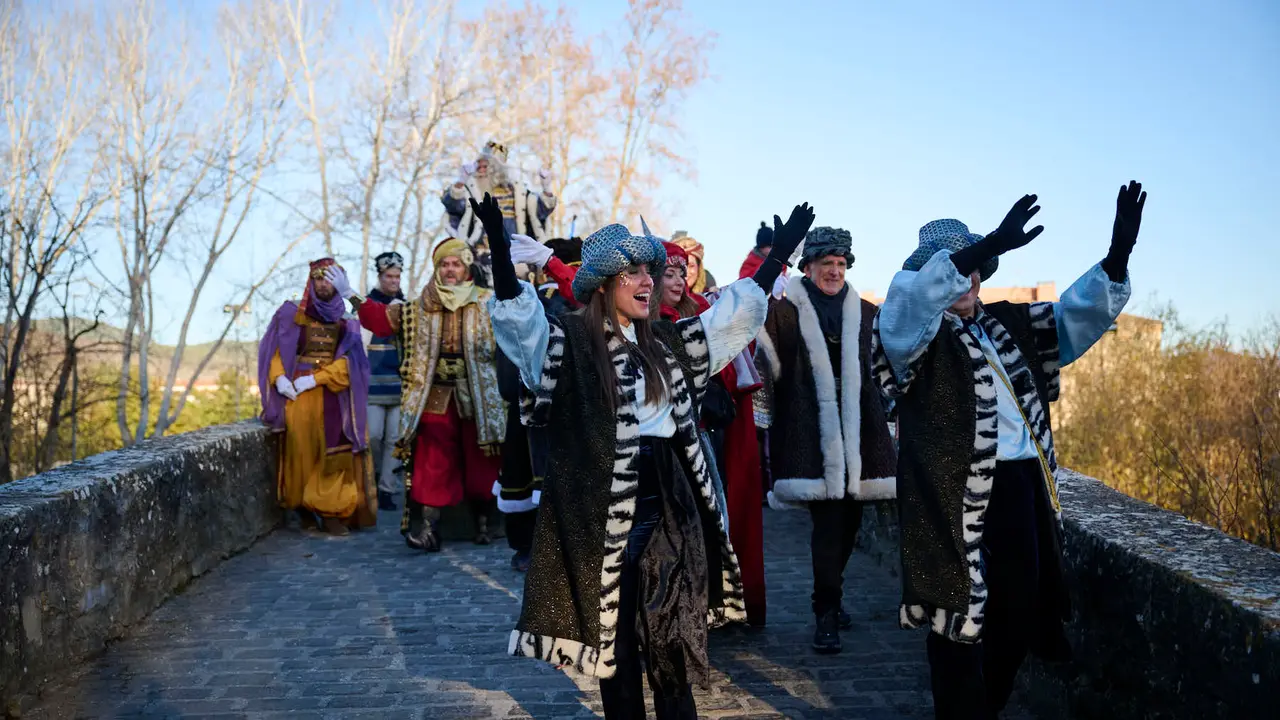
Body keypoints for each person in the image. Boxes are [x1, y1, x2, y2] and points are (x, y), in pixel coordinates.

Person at [486, 191, 816, 720]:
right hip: (601, 513)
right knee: (616, 652)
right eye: (633, 272)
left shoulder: (666, 341)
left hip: (670, 502)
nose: (648, 281)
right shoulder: (569, 342)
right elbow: (520, 330)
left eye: (650, 270)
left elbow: (729, 319)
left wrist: (777, 257)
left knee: (672, 636)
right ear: (602, 285)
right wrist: (502, 260)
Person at [871, 183, 1146, 718]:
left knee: (1018, 612)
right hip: (946, 495)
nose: (969, 279)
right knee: (955, 619)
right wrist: (985, 242)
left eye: (976, 269)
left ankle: (983, 707)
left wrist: (1116, 257)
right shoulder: (913, 338)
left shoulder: (1008, 323)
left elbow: (1072, 320)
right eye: (957, 269)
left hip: (1018, 487)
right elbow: (908, 300)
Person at [760, 226, 898, 654]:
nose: (835, 272)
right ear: (808, 268)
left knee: (850, 524)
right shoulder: (784, 312)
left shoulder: (870, 314)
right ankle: (826, 612)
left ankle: (830, 596)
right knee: (828, 525)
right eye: (827, 264)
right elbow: (765, 358)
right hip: (809, 431)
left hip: (859, 433)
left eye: (840, 265)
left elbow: (884, 371)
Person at [327, 239, 505, 552]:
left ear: (467, 269)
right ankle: (429, 529)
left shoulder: (488, 302)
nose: (450, 270)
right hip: (434, 393)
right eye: (444, 264)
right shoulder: (420, 305)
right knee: (432, 461)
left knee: (482, 458)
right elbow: (380, 321)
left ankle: (485, 521)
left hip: (478, 393)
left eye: (456, 264)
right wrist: (349, 294)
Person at [258, 258, 376, 535]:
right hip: (297, 394)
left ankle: (331, 510)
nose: (324, 285)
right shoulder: (290, 313)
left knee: (333, 452)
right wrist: (280, 378)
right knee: (301, 450)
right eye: (319, 279)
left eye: (330, 279)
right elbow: (274, 351)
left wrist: (317, 379)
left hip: (332, 394)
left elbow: (354, 364)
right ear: (311, 282)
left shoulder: (347, 322)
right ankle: (303, 508)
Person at [441, 140, 558, 247]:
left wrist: (546, 187)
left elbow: (541, 212)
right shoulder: (469, 190)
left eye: (485, 166)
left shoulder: (517, 192)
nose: (480, 170)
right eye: (478, 166)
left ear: (497, 168)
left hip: (513, 252)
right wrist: (460, 183)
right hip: (478, 253)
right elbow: (453, 206)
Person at [366, 251, 406, 511]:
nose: (393, 281)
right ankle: (375, 476)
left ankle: (387, 488)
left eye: (397, 276)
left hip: (399, 383)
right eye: (389, 276)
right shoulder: (366, 307)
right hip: (372, 384)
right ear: (380, 277)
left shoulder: (407, 307)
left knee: (394, 437)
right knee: (374, 435)